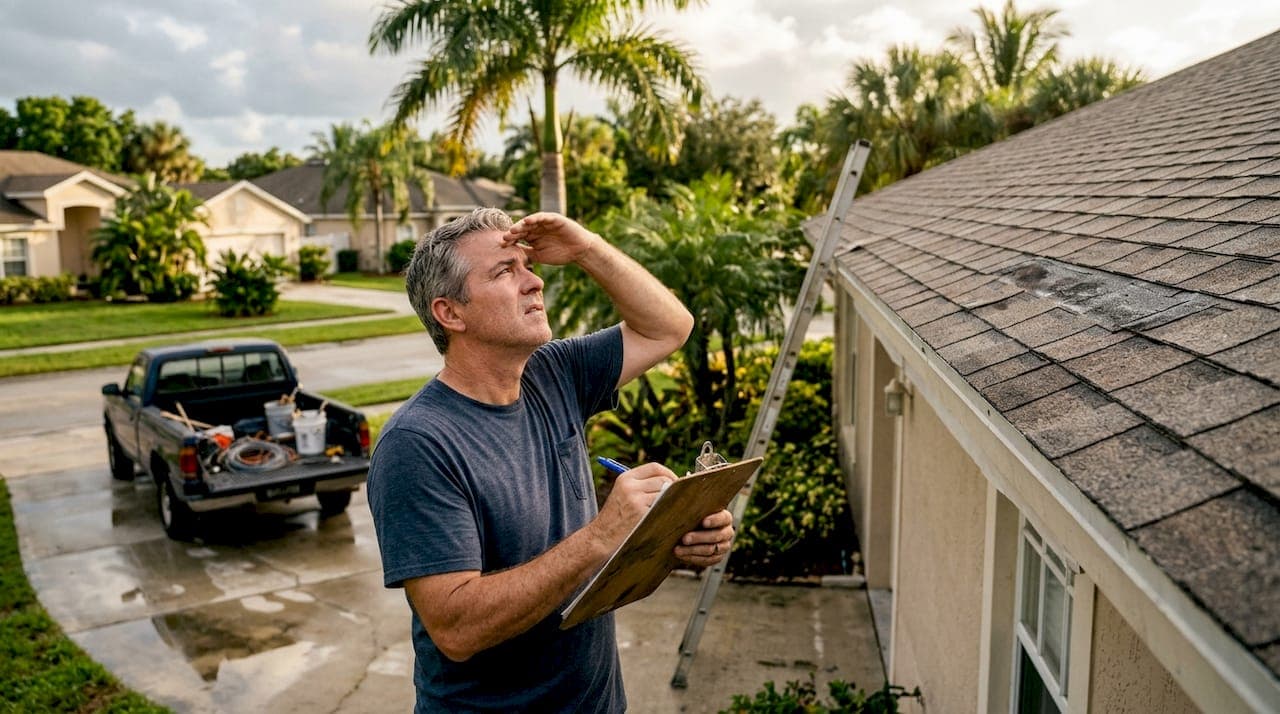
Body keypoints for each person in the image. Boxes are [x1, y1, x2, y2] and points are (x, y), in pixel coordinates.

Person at [366, 208, 735, 712]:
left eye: (528, 266)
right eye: (504, 271)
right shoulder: (418, 444)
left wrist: (672, 540)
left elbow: (668, 326)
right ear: (451, 313)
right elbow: (455, 628)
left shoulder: (552, 373)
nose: (534, 283)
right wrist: (602, 535)